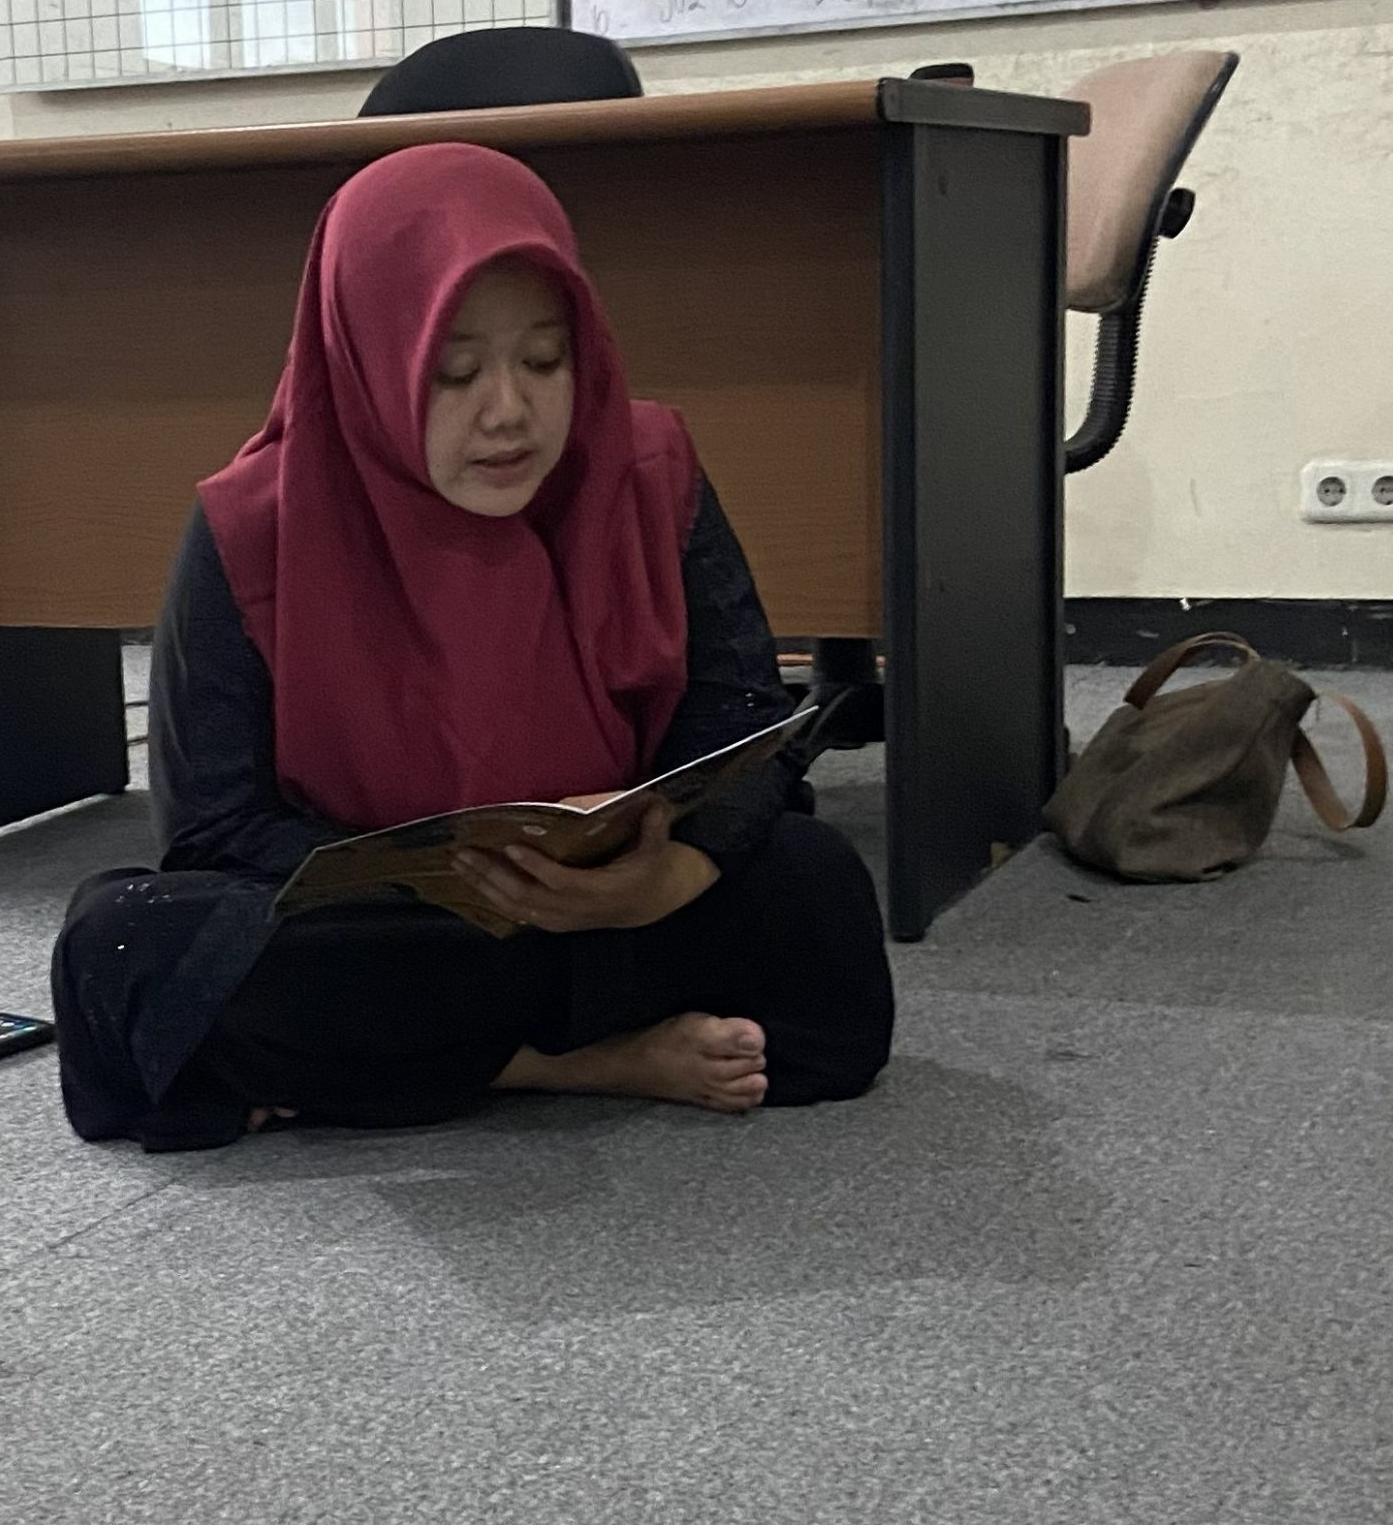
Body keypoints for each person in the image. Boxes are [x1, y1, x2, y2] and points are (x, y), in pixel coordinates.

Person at [51, 141, 894, 1151]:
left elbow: (742, 719)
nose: (508, 412)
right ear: (368, 361)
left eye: (544, 360)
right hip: (401, 924)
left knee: (816, 885)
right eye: (452, 372)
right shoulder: (256, 523)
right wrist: (451, 880)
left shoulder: (645, 467)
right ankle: (563, 1064)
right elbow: (214, 826)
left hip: (620, 896)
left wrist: (663, 878)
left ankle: (407, 1068)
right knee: (125, 943)